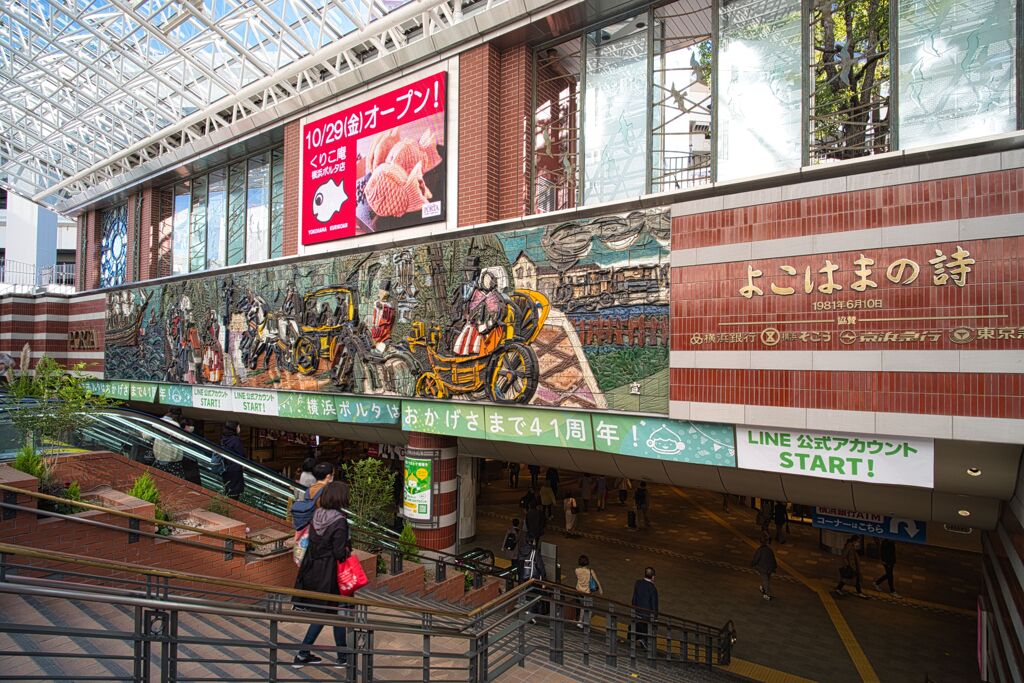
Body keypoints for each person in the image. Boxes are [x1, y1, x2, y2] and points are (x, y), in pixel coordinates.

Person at [293, 481, 351, 667]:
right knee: (334, 614)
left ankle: (304, 654)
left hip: (314, 571)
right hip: (331, 574)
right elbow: (339, 552)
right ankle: (341, 657)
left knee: (328, 614)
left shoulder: (316, 514)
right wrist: (349, 548)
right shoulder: (339, 521)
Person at [152, 409, 186, 479]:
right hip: (173, 460)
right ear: (176, 416)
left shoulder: (156, 422)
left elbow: (145, 436)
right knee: (177, 483)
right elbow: (183, 439)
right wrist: (187, 431)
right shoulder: (175, 425)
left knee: (160, 481)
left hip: (159, 458)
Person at [631, 567, 658, 651]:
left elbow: (634, 597)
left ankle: (638, 639)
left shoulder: (638, 583)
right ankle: (644, 641)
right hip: (647, 613)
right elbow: (654, 603)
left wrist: (634, 607)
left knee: (639, 625)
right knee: (647, 628)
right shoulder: (652, 588)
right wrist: (655, 616)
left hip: (638, 610)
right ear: (653, 577)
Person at [219, 421, 246, 500]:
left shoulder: (224, 438)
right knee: (235, 492)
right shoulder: (236, 440)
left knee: (228, 490)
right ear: (234, 428)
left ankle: (228, 505)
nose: (239, 428)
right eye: (238, 427)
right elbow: (241, 454)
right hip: (235, 469)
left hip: (226, 468)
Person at [574, 554, 602, 628]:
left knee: (583, 606)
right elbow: (597, 581)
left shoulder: (576, 570)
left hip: (579, 591)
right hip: (587, 592)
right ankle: (587, 623)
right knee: (589, 609)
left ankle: (580, 621)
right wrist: (600, 589)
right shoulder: (590, 571)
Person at [751, 533, 778, 600]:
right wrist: (774, 567)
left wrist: (753, 564)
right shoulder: (769, 550)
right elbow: (773, 559)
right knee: (767, 579)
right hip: (769, 568)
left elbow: (755, 559)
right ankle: (764, 591)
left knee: (765, 580)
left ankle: (764, 591)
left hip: (762, 568)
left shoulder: (760, 550)